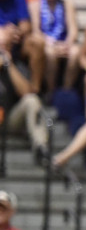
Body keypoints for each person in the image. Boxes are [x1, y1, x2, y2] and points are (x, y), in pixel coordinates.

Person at [0, 28, 48, 158]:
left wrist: (9, 65)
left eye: (5, 46)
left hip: (9, 120)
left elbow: (27, 92)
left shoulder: (17, 66)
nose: (1, 51)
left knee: (32, 100)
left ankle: (40, 148)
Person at [29, 0, 79, 95]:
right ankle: (51, 92)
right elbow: (36, 31)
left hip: (63, 42)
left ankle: (66, 89)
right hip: (47, 43)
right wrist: (50, 44)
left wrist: (67, 44)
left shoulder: (67, 3)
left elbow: (73, 29)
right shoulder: (36, 4)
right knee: (50, 54)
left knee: (76, 52)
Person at [0, 0, 45, 95]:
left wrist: (15, 31)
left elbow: (26, 24)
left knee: (37, 43)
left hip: (15, 42)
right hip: (2, 40)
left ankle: (36, 91)